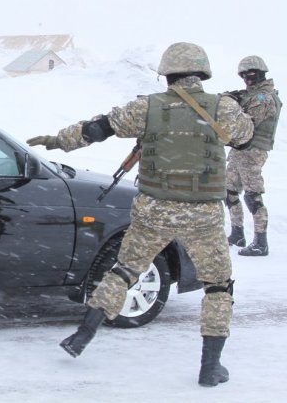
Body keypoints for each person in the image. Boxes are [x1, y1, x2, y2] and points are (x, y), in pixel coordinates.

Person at [26, 42, 254, 387]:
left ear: (167, 74)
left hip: (154, 209)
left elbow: (99, 128)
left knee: (124, 271)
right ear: (202, 73)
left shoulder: (148, 107)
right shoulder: (222, 107)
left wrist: (58, 140)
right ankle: (210, 367)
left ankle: (83, 334)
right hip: (202, 213)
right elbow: (246, 138)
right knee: (218, 286)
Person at [224, 56, 281, 256]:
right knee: (229, 191)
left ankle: (260, 242)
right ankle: (238, 233)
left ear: (260, 73)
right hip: (240, 149)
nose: (247, 79)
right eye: (244, 75)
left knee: (252, 196)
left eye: (251, 74)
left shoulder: (263, 97)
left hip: (253, 150)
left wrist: (233, 108)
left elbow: (247, 124)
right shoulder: (252, 94)